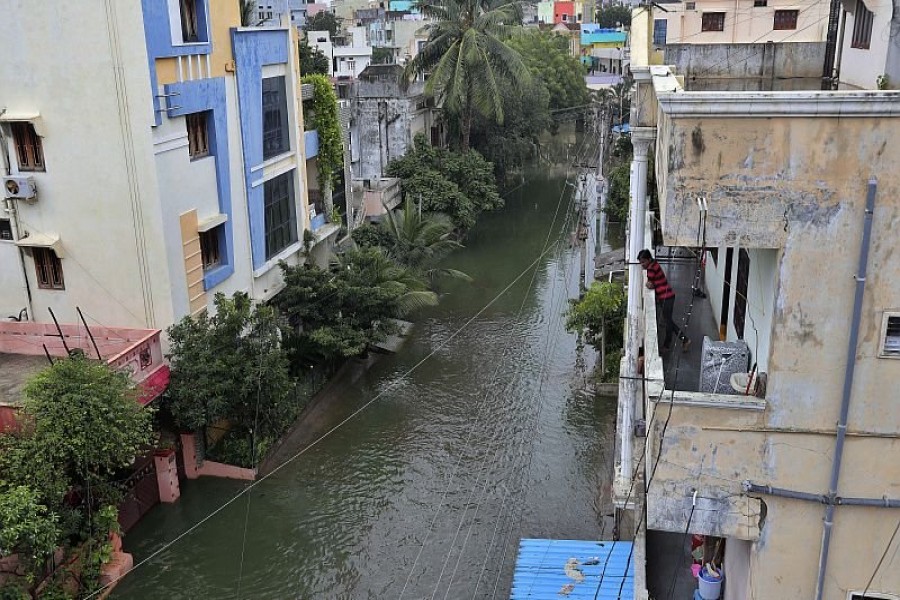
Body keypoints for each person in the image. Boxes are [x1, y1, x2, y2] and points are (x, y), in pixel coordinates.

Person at [638, 249, 690, 352]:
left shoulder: (651, 268)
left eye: (643, 262)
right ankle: (683, 340)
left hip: (666, 297)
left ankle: (671, 344)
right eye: (641, 262)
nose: (642, 264)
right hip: (667, 296)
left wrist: (649, 284)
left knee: (668, 322)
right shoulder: (654, 264)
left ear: (649, 259)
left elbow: (650, 284)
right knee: (668, 321)